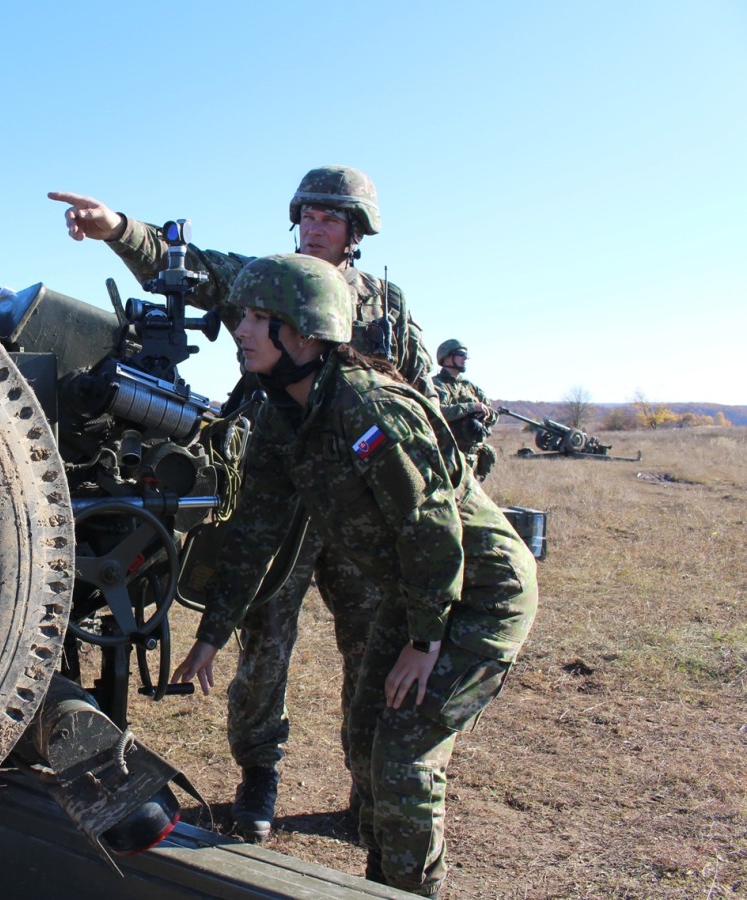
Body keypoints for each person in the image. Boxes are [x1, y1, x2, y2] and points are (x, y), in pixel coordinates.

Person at [50, 167, 433, 842]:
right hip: (277, 491)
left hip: (362, 507)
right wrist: (117, 229)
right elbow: (192, 268)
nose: (315, 228)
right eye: (307, 215)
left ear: (356, 232)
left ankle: (371, 788)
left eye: (330, 218)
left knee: (374, 644)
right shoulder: (269, 282)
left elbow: (419, 393)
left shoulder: (389, 309)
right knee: (265, 642)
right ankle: (259, 775)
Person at [170, 253, 537, 898]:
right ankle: (382, 880)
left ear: (305, 332)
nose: (242, 330)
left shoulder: (370, 409)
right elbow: (256, 532)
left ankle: (410, 890)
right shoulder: (282, 413)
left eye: (259, 317)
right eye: (243, 315)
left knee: (402, 756)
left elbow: (431, 528)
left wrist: (424, 641)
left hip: (479, 594)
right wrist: (212, 633)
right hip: (412, 591)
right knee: (366, 740)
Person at [433, 339, 499, 481]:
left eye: (466, 355)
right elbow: (439, 412)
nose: (465, 358)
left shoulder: (470, 387)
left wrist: (485, 414)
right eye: (461, 354)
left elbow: (493, 415)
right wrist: (471, 407)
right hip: (449, 458)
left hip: (473, 458)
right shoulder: (436, 385)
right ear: (447, 357)